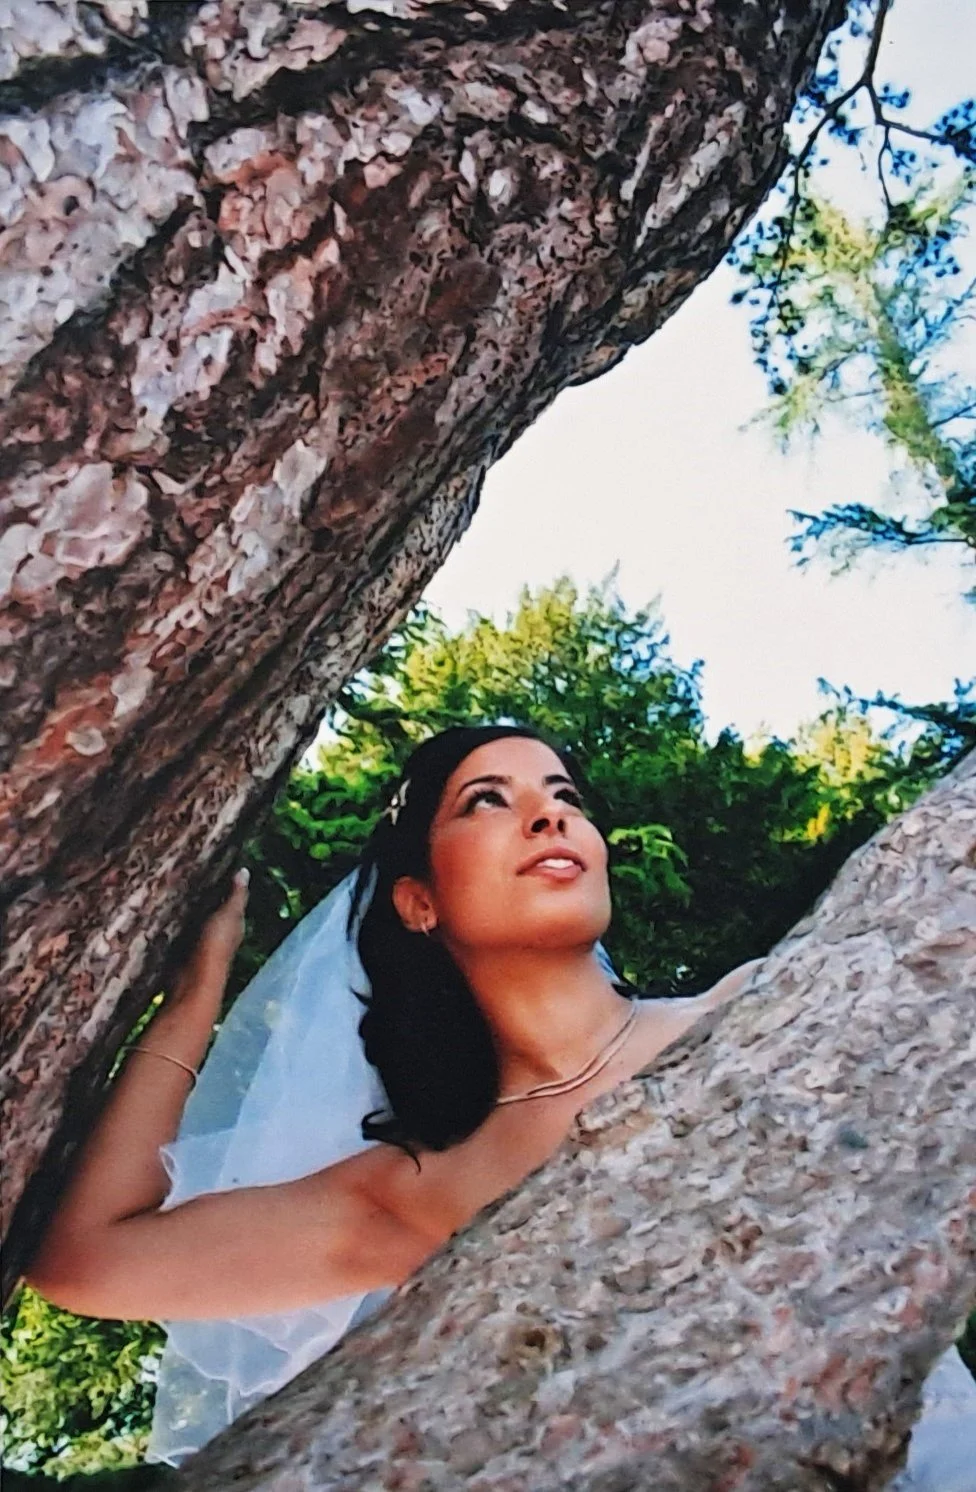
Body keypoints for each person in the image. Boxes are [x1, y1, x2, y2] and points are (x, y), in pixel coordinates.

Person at [26, 724, 763, 1463]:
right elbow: (85, 1259)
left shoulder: (756, 1004)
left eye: (564, 795)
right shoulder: (414, 1191)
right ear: (418, 902)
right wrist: (193, 994)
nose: (550, 816)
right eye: (487, 801)